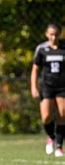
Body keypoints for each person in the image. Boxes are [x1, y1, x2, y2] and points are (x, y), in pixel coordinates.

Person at [30, 23, 65, 157]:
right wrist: (34, 87)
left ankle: (60, 147)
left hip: (62, 86)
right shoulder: (42, 49)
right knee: (46, 117)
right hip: (47, 86)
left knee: (63, 115)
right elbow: (35, 70)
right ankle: (51, 137)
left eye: (56, 34)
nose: (53, 37)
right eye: (51, 34)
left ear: (60, 34)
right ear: (46, 34)